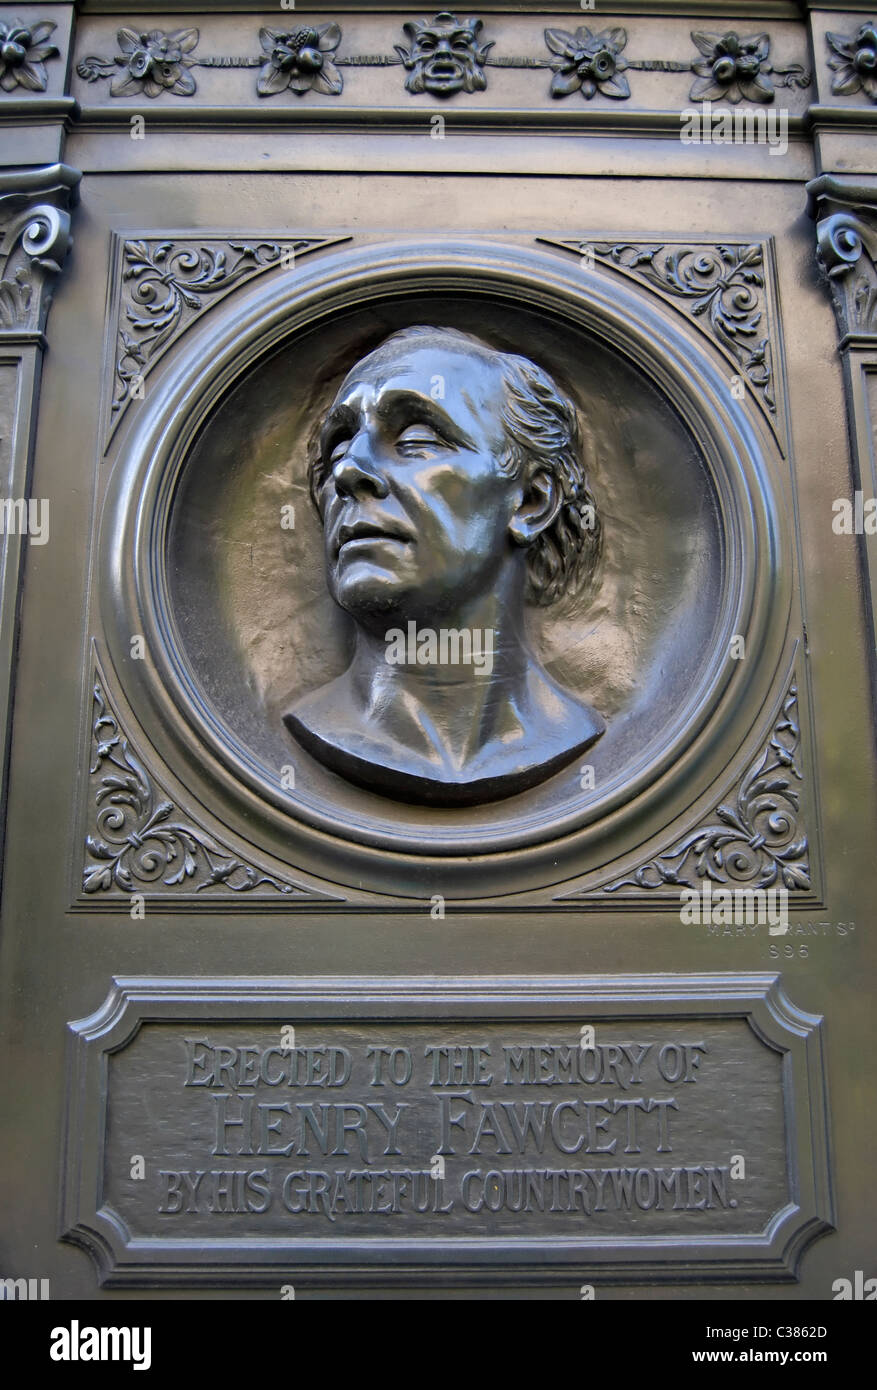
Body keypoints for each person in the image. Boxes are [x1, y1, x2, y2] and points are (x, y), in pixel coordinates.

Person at [284, 325, 605, 804]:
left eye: (416, 439)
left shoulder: (573, 734)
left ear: (531, 502)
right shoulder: (316, 730)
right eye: (339, 444)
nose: (348, 470)